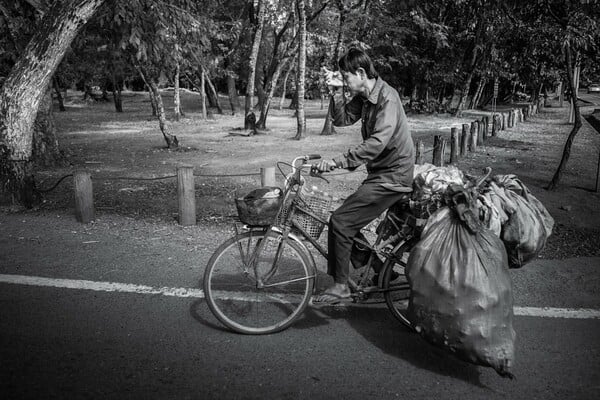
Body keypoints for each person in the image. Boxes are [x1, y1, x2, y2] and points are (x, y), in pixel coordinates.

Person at [312, 48, 415, 305]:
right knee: (345, 221)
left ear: (360, 73)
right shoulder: (365, 96)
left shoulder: (387, 98)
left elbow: (377, 143)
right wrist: (336, 90)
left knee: (341, 221)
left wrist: (336, 162)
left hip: (393, 176)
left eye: (346, 77)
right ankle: (383, 273)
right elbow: (342, 119)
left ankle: (341, 286)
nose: (345, 81)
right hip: (381, 174)